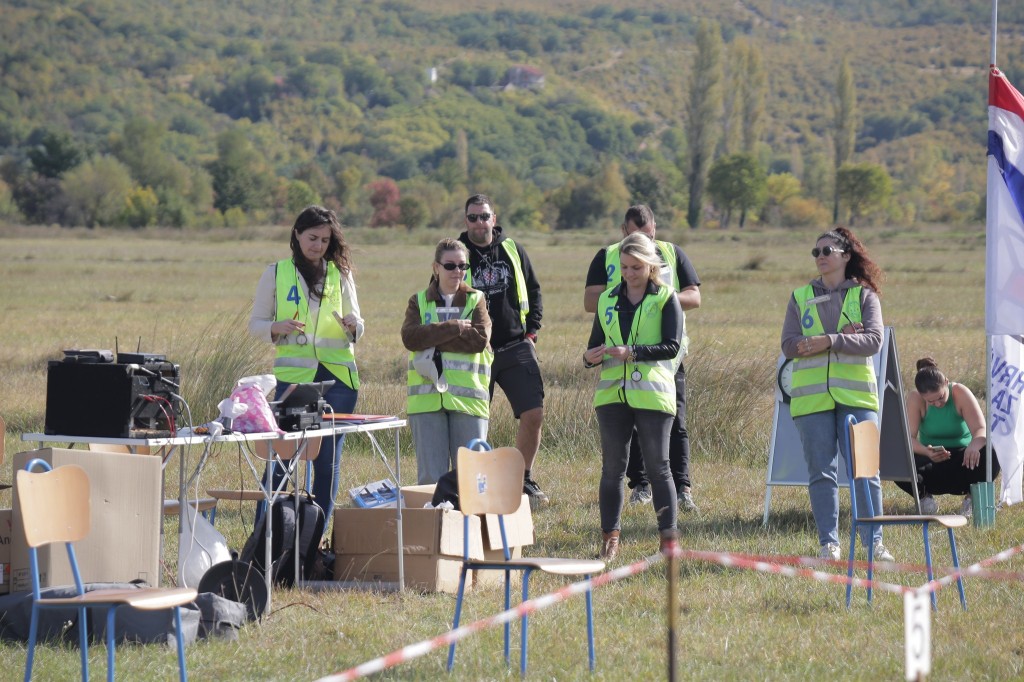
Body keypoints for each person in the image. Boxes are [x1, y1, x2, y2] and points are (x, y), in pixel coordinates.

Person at [780, 226, 894, 562]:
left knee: (866, 471)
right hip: (811, 401)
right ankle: (828, 544)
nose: (820, 257)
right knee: (821, 474)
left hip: (858, 400)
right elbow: (788, 344)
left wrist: (830, 340)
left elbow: (874, 340)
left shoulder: (865, 296)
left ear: (845, 256)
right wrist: (818, 343)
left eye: (827, 251)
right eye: (816, 252)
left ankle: (874, 543)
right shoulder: (800, 296)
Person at [248, 205, 362, 534]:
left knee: (326, 463)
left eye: (325, 240)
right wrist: (275, 327)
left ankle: (313, 542)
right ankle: (262, 538)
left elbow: (359, 322)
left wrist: (353, 325)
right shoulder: (276, 272)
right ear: (297, 234)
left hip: (338, 379)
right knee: (281, 461)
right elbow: (255, 324)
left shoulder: (340, 274)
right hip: (295, 381)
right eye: (312, 238)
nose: (318, 246)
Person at [584, 205, 701, 512]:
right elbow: (591, 301)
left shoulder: (672, 254)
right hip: (619, 365)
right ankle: (640, 485)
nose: (642, 241)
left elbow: (695, 297)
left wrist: (662, 300)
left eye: (648, 235)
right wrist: (626, 292)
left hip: (665, 360)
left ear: (655, 228)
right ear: (624, 231)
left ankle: (683, 488)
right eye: (635, 235)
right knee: (628, 426)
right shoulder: (606, 255)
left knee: (676, 421)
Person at [584, 232, 682, 560]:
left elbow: (672, 346)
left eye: (636, 267)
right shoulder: (607, 300)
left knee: (659, 468)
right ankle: (609, 540)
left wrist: (634, 352)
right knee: (612, 469)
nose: (629, 273)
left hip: (653, 394)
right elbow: (594, 344)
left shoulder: (666, 297)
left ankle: (668, 543)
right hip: (612, 395)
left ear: (651, 265)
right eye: (624, 267)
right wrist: (589, 357)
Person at [458, 194, 548, 506]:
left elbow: (534, 290)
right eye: (473, 217)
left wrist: (531, 333)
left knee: (533, 413)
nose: (479, 223)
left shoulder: (512, 249)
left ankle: (523, 479)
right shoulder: (456, 252)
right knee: (473, 421)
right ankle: (474, 485)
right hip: (473, 351)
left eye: (484, 216)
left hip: (515, 346)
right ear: (465, 220)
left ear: (494, 219)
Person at [401, 239, 492, 484]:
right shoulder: (418, 301)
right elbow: (410, 338)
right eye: (450, 265)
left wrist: (430, 337)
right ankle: (436, 512)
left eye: (463, 266)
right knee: (431, 479)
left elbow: (478, 341)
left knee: (471, 478)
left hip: (468, 402)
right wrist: (454, 327)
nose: (457, 271)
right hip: (426, 403)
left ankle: (468, 513)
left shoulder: (477, 299)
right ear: (436, 267)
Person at [901, 357, 998, 516]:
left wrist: (974, 445)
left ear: (946, 382)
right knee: (897, 455)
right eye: (931, 402)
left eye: (940, 397)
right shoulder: (914, 398)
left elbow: (981, 429)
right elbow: (908, 439)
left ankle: (972, 499)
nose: (938, 404)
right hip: (931, 460)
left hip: (964, 459)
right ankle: (924, 499)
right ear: (921, 395)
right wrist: (926, 451)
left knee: (992, 451)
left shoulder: (960, 392)